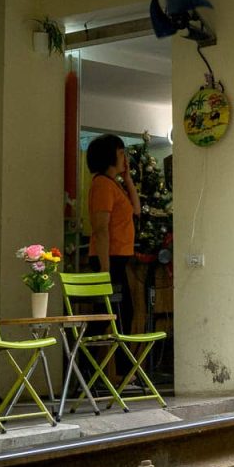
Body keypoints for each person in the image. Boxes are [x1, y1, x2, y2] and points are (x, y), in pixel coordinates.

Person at [87, 134, 140, 332]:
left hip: (117, 258)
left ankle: (86, 351)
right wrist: (105, 269)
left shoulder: (113, 184)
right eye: (121, 153)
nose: (125, 158)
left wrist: (128, 179)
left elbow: (136, 210)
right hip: (109, 258)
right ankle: (82, 351)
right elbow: (101, 228)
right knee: (114, 315)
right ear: (110, 156)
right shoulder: (102, 184)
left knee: (120, 315)